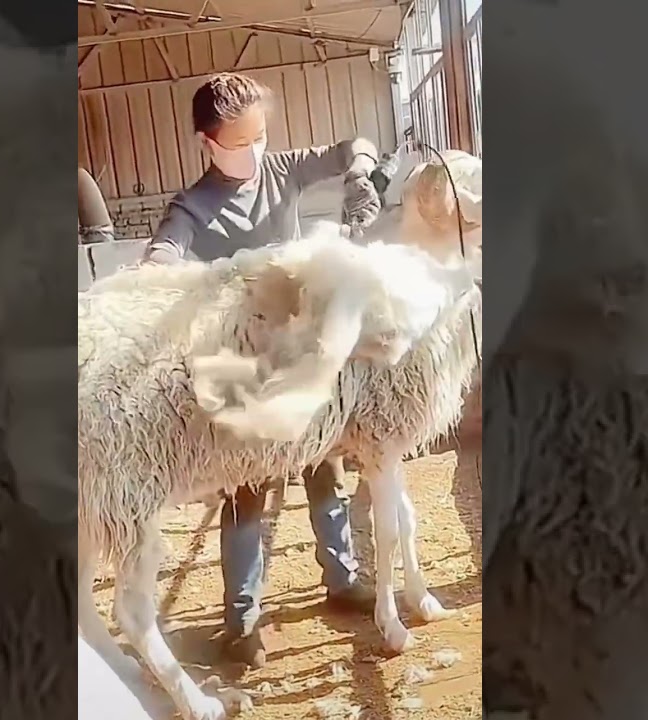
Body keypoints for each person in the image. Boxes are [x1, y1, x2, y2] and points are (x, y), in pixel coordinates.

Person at [141, 72, 383, 668]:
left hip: (303, 351)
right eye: (240, 141)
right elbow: (163, 251)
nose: (254, 150)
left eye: (261, 136)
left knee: (324, 471)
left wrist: (360, 172)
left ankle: (343, 578)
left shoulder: (281, 171)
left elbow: (354, 143)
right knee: (249, 492)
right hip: (241, 365)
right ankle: (242, 617)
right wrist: (159, 267)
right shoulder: (193, 206)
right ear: (208, 142)